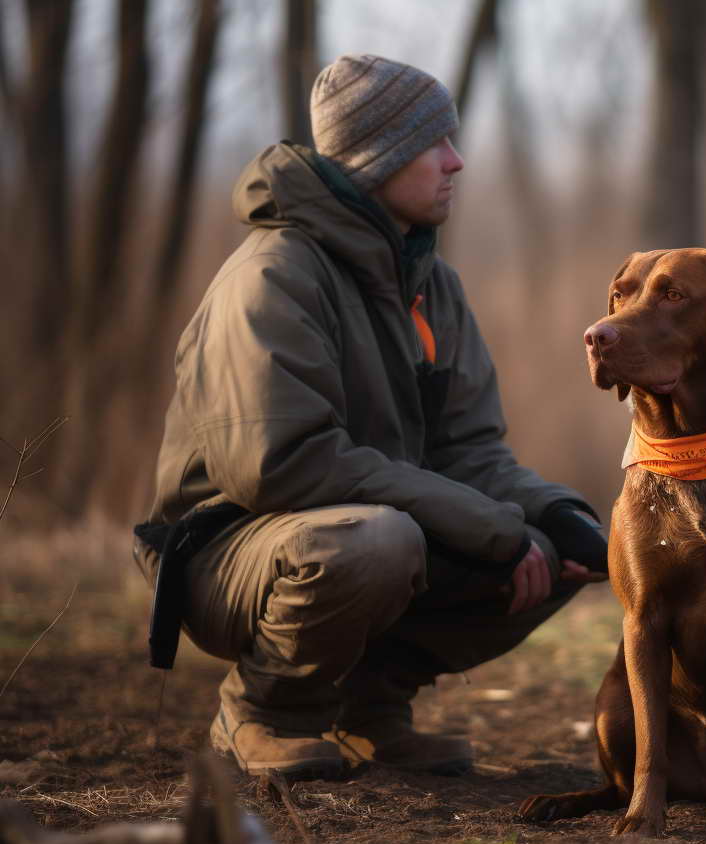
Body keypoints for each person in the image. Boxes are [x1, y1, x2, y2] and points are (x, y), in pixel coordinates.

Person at [133, 54, 608, 780]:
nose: (456, 161)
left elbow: (470, 450)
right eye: (433, 145)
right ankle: (263, 712)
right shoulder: (271, 278)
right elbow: (284, 465)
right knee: (377, 542)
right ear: (373, 159)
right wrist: (491, 530)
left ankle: (371, 711)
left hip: (359, 531)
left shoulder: (431, 285)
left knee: (554, 544)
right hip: (232, 551)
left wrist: (554, 515)